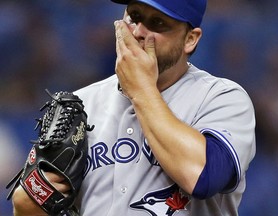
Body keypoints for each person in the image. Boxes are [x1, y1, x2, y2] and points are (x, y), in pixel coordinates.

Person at [11, 0, 256, 215]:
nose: (139, 31)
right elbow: (33, 207)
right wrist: (30, 204)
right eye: (134, 16)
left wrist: (140, 89)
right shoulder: (83, 103)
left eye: (157, 23)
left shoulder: (222, 98)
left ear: (190, 39)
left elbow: (203, 177)